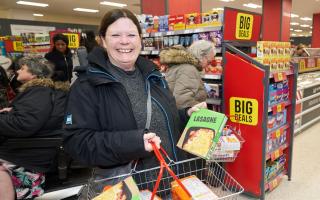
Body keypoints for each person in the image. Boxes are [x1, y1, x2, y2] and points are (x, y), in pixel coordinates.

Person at [63, 8, 206, 191]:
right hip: (130, 190)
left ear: (140, 39)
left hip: (171, 184)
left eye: (131, 34)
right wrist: (133, 143)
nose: (124, 41)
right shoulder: (87, 85)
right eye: (115, 35)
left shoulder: (154, 76)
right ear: (103, 40)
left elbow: (162, 121)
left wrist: (186, 115)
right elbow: (77, 142)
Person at [0, 56, 69, 199]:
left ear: (33, 74)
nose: (18, 70)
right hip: (34, 150)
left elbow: (24, 124)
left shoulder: (38, 91)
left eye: (22, 68)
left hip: (26, 154)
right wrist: (11, 112)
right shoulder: (41, 91)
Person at [159, 45, 207, 109]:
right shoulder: (188, 69)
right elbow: (182, 101)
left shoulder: (174, 67)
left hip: (175, 112)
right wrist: (202, 110)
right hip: (188, 115)